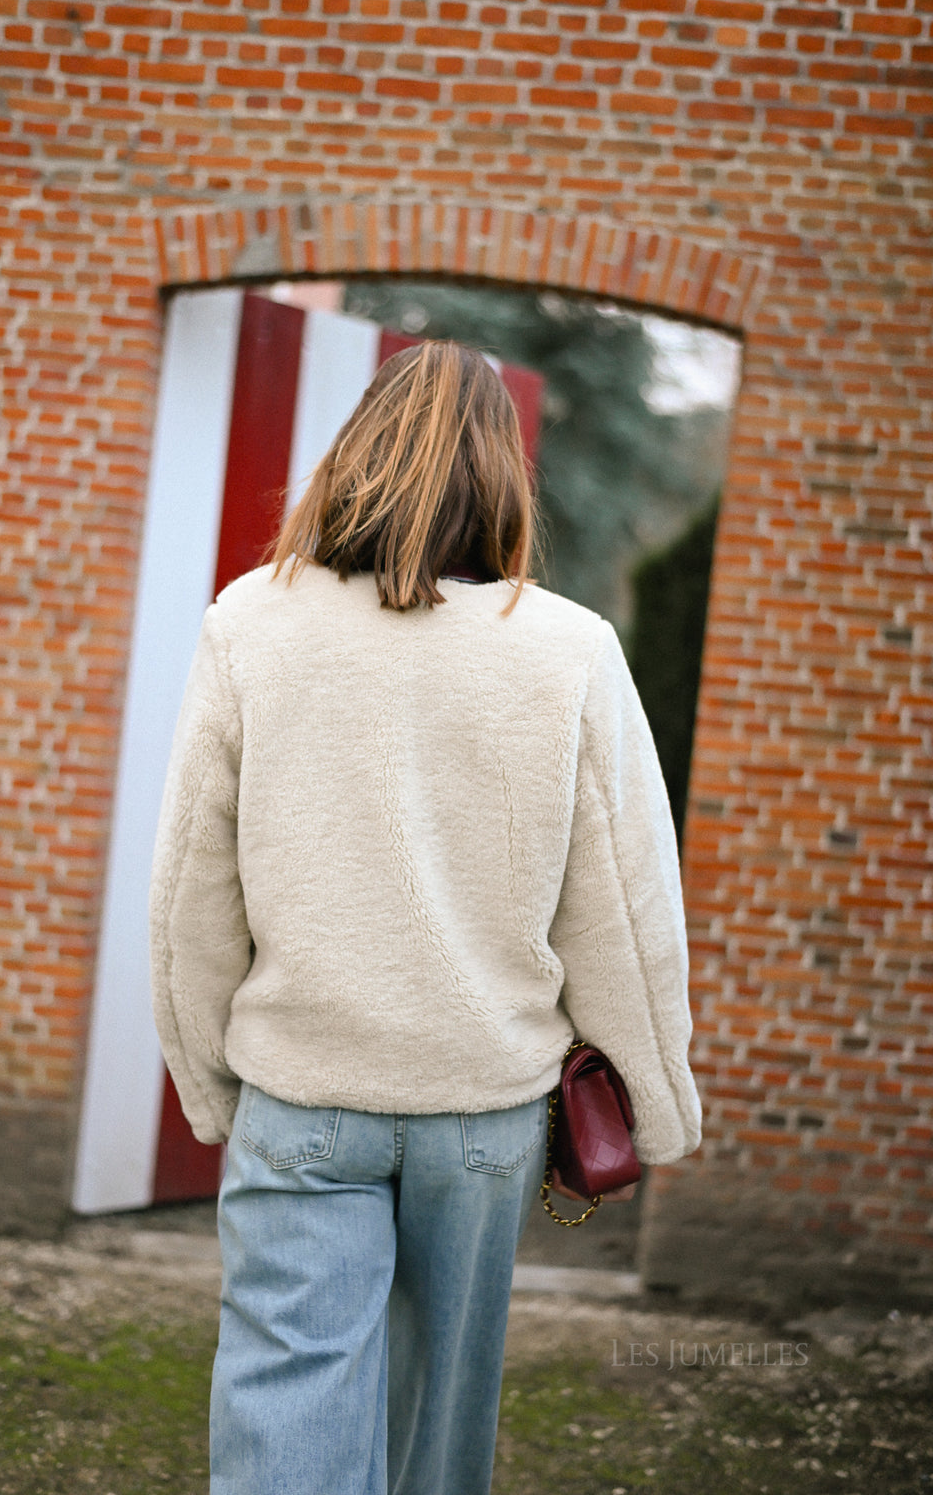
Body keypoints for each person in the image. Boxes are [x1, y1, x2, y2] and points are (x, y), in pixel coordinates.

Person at [149, 339, 701, 1495]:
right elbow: (626, 911)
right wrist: (654, 1105)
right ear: (505, 474)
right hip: (480, 1117)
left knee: (283, 1407)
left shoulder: (252, 623)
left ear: (355, 457)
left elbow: (191, 886)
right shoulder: (571, 652)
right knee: (436, 1438)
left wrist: (206, 1081)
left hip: (302, 1104)